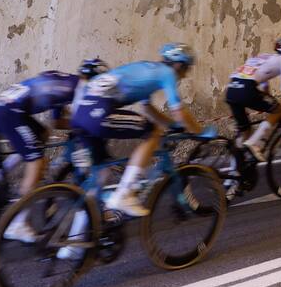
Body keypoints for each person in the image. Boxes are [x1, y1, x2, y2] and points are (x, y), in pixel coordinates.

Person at [72, 43, 202, 218]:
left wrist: (171, 125)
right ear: (179, 64)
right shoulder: (167, 73)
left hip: (81, 114)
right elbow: (179, 110)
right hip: (98, 113)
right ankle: (124, 194)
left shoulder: (147, 68)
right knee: (152, 132)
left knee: (101, 173)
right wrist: (200, 132)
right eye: (187, 69)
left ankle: (77, 241)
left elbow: (147, 108)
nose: (186, 74)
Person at [0, 58, 107, 242]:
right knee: (36, 161)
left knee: (42, 134)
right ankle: (19, 223)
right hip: (11, 112)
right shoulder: (81, 91)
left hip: (5, 106)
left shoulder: (69, 82)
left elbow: (57, 122)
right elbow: (81, 121)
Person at [226, 37, 281, 163]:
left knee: (245, 130)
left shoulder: (265, 57)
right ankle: (254, 144)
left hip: (232, 89)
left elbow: (264, 85)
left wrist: (270, 100)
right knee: (278, 110)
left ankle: (234, 174)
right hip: (247, 88)